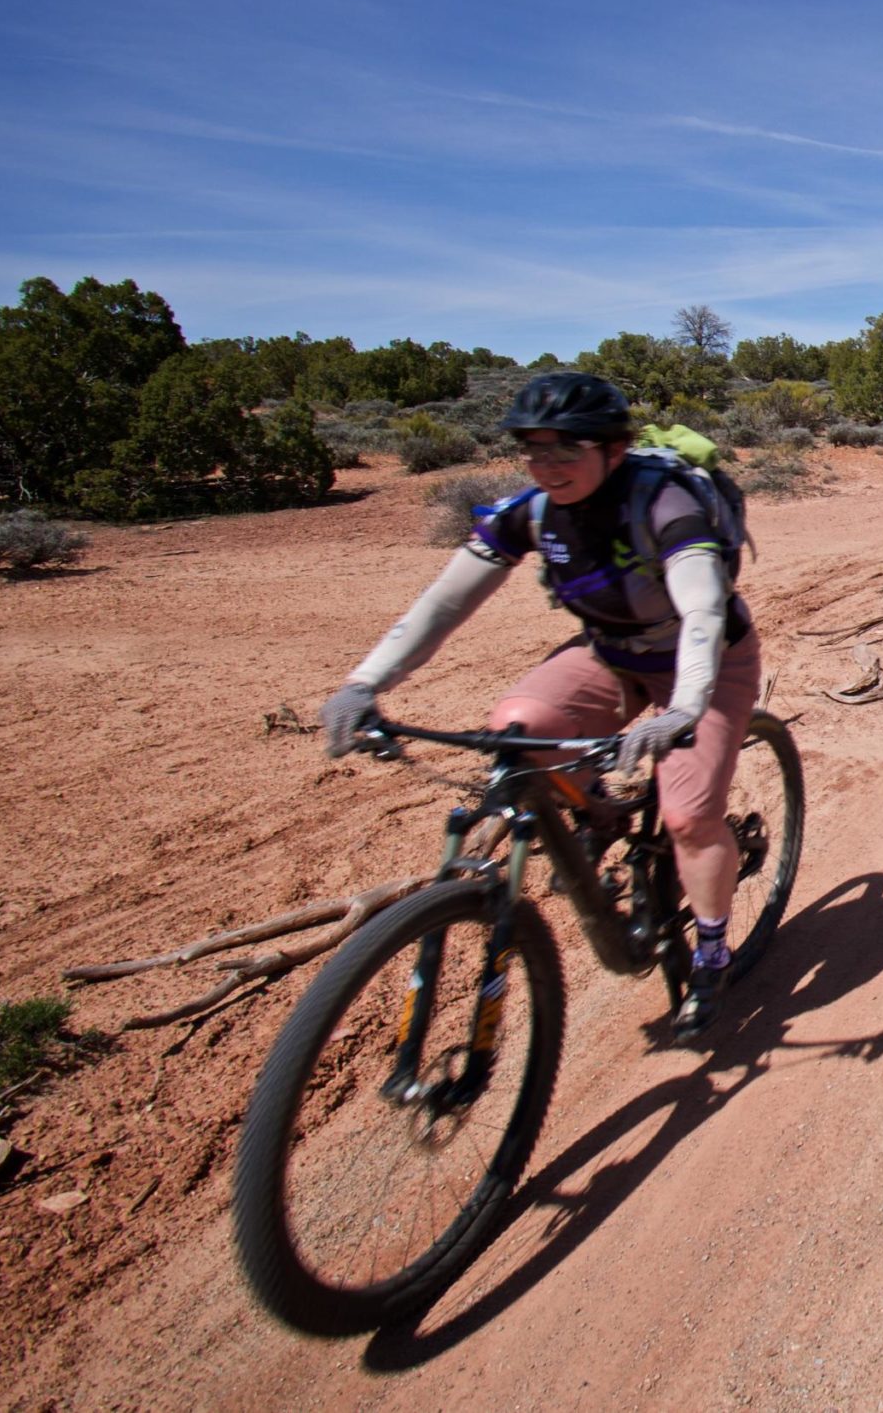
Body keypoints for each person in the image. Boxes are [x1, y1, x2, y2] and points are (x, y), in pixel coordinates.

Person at [319, 371, 760, 1039]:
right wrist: (366, 681)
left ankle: (711, 947)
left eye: (565, 449)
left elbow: (701, 606)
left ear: (613, 448)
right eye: (532, 449)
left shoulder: (665, 503)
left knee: (689, 815)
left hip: (706, 661)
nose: (546, 465)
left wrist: (684, 709)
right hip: (613, 653)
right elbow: (445, 601)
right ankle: (601, 817)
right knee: (517, 730)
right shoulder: (531, 512)